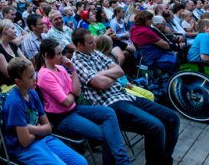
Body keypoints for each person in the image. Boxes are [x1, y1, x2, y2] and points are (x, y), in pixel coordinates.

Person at [72, 28, 180, 165]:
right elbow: (100, 84)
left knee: (172, 118)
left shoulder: (95, 53)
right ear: (80, 45)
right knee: (156, 127)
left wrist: (103, 74)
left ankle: (164, 161)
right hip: (110, 104)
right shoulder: (77, 61)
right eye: (90, 42)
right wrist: (111, 76)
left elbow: (119, 70)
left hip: (125, 96)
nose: (94, 44)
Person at [37, 38, 130, 165]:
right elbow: (67, 101)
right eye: (58, 54)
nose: (62, 56)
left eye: (61, 52)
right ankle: (122, 162)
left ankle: (121, 161)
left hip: (74, 109)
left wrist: (73, 69)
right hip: (62, 118)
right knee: (106, 136)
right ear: (47, 55)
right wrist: (72, 92)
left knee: (108, 112)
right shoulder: (45, 75)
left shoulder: (61, 68)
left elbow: (77, 92)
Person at [2, 57, 87, 165]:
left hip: (44, 139)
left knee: (81, 162)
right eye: (30, 77)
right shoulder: (15, 103)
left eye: (34, 74)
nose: (35, 79)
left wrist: (30, 128)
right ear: (18, 81)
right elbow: (25, 141)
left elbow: (48, 128)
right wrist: (40, 129)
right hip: (25, 149)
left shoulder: (32, 93)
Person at [0, 19, 27, 87]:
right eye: (13, 28)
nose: (15, 31)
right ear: (5, 31)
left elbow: (26, 62)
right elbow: (9, 74)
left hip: (21, 79)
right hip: (9, 87)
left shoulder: (12, 45)